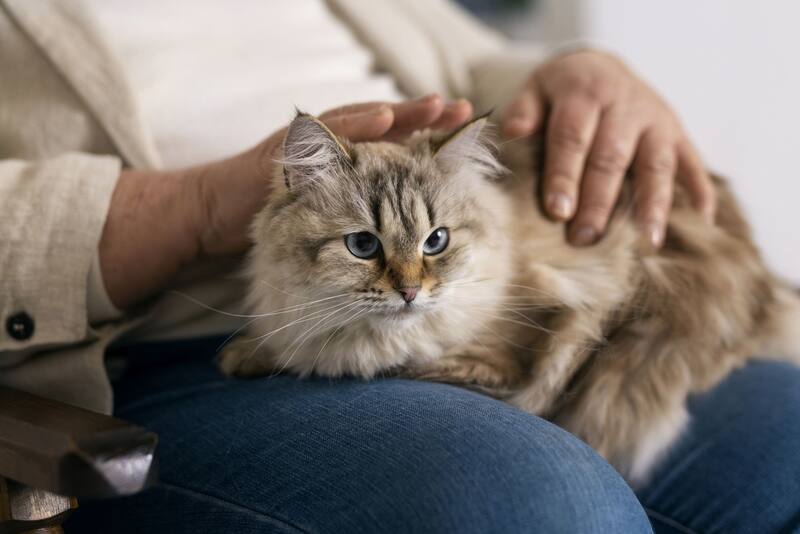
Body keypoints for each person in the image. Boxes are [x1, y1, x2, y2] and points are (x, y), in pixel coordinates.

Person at [0, 0, 797, 532]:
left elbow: (479, 62)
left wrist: (576, 73)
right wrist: (196, 205)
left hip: (466, 257)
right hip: (185, 349)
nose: (406, 278)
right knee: (543, 504)